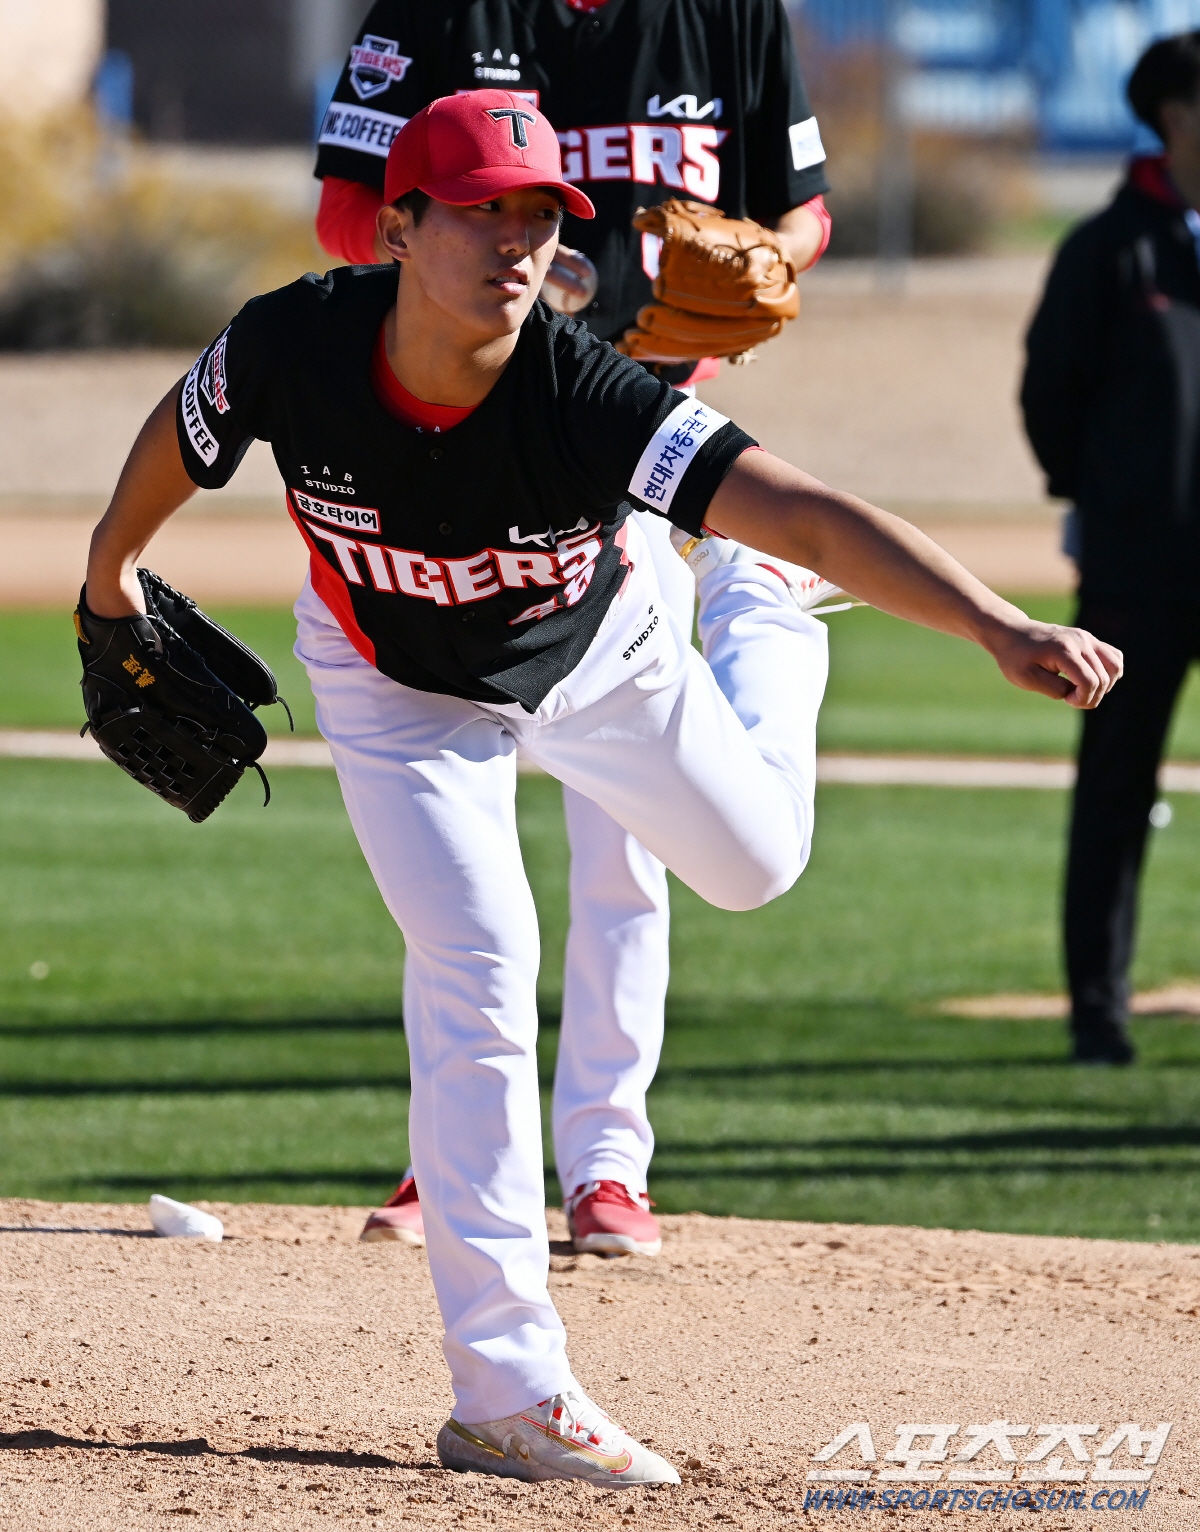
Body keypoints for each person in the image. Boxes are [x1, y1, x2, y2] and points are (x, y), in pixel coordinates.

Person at [85, 92, 1119, 1483]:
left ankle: (757, 614)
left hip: (611, 653)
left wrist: (999, 625)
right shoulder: (296, 344)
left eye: (537, 214)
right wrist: (108, 576)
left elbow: (802, 502)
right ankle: (505, 1388)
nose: (515, 239)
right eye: (480, 208)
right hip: (397, 688)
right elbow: (181, 436)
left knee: (758, 869)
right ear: (400, 225)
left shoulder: (583, 391)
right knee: (478, 959)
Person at [314, 0, 833, 1252]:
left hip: (643, 450)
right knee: (457, 839)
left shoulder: (726, 15)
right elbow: (345, 207)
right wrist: (553, 271)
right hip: (462, 441)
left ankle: (607, 1162)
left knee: (626, 836)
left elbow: (802, 206)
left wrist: (767, 254)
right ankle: (456, 1150)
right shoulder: (442, 11)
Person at [1022, 30, 1200, 1067]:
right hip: (1137, 569)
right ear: (1175, 114)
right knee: (1116, 788)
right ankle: (1099, 1009)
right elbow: (1051, 394)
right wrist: (1106, 497)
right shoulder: (1108, 248)